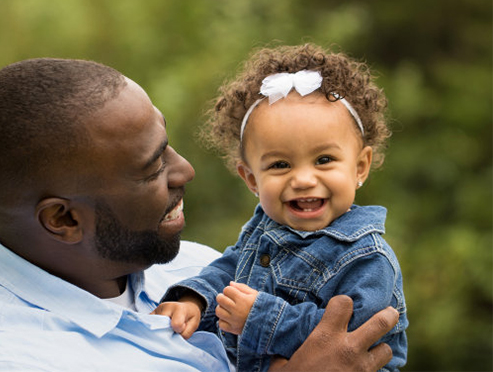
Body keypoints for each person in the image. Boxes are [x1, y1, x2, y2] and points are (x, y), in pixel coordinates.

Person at [0, 57, 399, 371]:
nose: (186, 170)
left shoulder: (189, 267)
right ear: (64, 220)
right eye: (151, 168)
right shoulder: (1, 360)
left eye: (166, 145)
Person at [154, 44, 408, 372]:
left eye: (324, 160)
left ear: (360, 167)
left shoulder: (367, 257)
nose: (303, 179)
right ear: (251, 179)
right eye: (280, 164)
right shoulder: (266, 226)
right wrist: (195, 299)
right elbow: (230, 269)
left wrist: (259, 317)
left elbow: (354, 340)